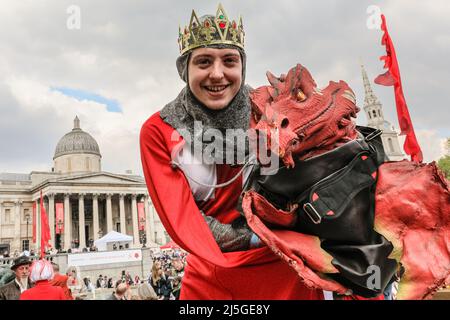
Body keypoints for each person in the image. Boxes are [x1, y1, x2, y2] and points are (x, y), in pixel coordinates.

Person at [140, 3, 323, 300]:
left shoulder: (272, 111)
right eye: (202, 62)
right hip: (212, 281)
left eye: (229, 60)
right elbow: (184, 220)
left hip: (288, 270)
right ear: (184, 69)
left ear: (242, 66)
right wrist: (262, 237)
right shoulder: (158, 131)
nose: (217, 74)